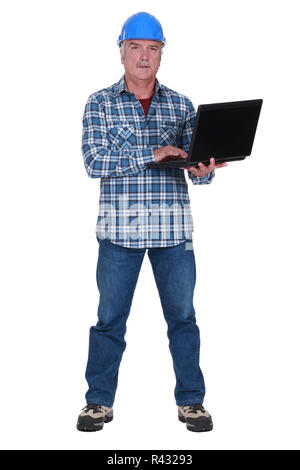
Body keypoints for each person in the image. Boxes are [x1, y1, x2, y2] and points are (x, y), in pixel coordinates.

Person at [77, 11, 228, 433]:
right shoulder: (99, 103)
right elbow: (94, 162)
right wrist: (153, 154)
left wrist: (204, 169)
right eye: (136, 48)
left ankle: (192, 403)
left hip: (172, 231)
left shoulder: (181, 105)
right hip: (119, 233)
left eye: (153, 49)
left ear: (162, 54)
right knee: (109, 320)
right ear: (122, 52)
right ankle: (97, 402)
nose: (144, 57)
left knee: (183, 318)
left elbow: (199, 160)